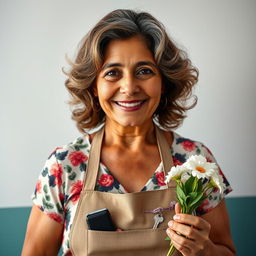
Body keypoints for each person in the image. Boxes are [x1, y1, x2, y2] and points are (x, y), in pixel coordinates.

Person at [22, 9, 236, 256]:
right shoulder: (64, 166)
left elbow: (227, 251)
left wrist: (205, 249)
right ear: (94, 86)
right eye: (112, 73)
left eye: (144, 71)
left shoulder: (195, 161)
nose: (129, 87)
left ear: (163, 82)